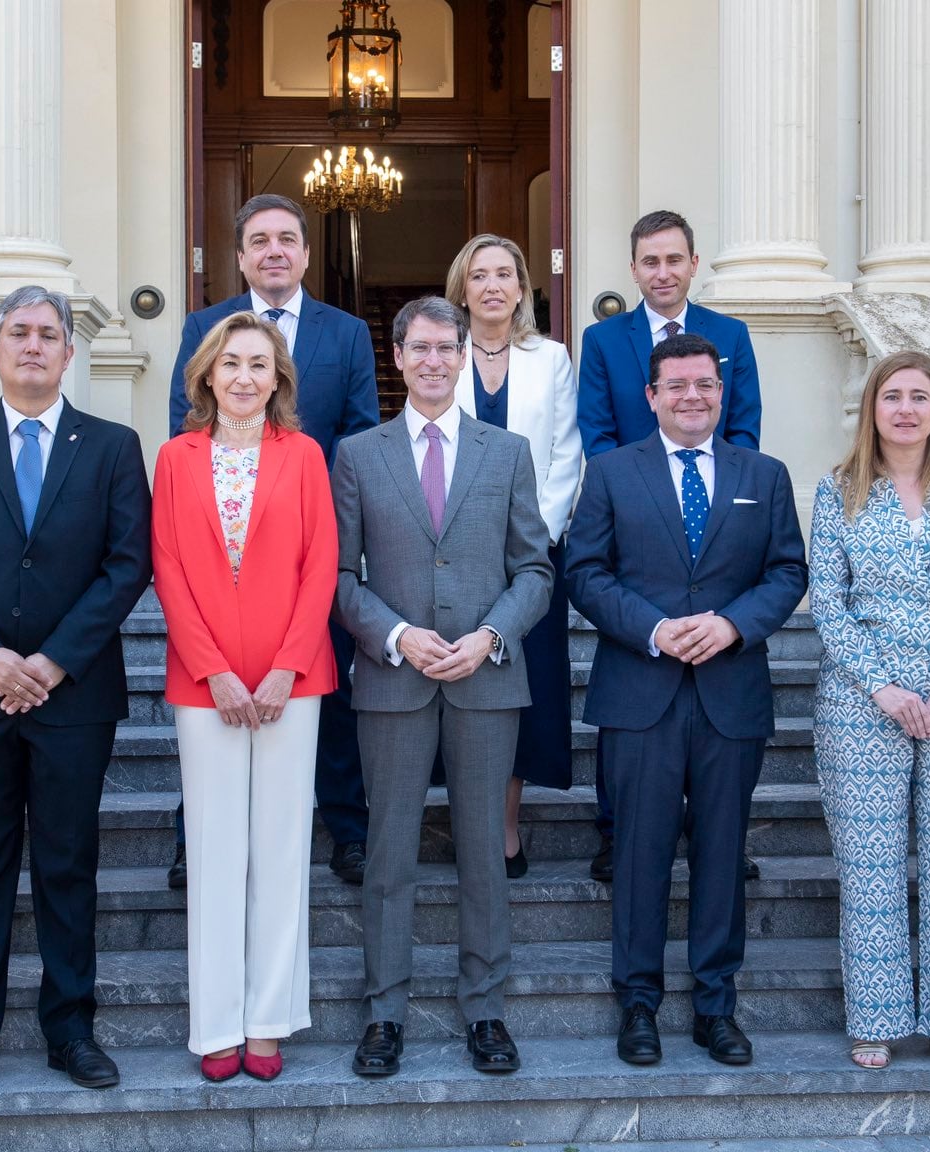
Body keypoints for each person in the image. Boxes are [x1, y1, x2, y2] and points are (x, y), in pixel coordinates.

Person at [0, 286, 153, 1099]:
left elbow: (128, 565)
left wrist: (51, 662)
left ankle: (70, 1030)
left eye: (50, 333)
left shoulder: (113, 447)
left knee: (66, 864)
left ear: (69, 352)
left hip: (73, 698)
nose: (35, 345)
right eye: (20, 333)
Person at [566, 332, 807, 1069]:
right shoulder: (609, 473)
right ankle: (637, 1005)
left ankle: (715, 1008)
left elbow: (788, 570)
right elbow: (584, 569)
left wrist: (732, 623)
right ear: (652, 396)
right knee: (638, 855)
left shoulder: (763, 475)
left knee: (720, 855)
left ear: (720, 391)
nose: (692, 396)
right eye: (676, 385)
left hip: (730, 693)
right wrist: (656, 628)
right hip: (642, 692)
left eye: (704, 384)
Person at [332, 296, 553, 1079]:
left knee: (483, 856)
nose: (432, 361)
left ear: (464, 355)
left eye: (444, 348)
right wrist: (395, 635)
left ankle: (485, 1009)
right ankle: (385, 1011)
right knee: (389, 853)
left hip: (486, 680)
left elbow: (534, 568)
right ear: (397, 357)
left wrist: (492, 635)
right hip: (393, 680)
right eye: (417, 348)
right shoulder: (358, 455)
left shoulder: (508, 452)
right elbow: (338, 577)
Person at [166, 192, 381, 890]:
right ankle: (189, 837)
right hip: (223, 543)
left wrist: (326, 524)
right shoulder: (205, 325)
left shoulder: (345, 331)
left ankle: (346, 828)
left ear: (307, 252)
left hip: (311, 542)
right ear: (240, 256)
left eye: (287, 238)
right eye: (259, 240)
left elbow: (357, 434)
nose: (275, 251)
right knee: (208, 701)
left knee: (333, 687)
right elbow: (183, 423)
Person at [808, 349, 930, 1073]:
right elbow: (828, 603)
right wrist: (884, 687)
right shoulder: (840, 492)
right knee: (871, 866)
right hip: (865, 704)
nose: (904, 409)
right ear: (872, 409)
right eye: (891, 396)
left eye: (918, 396)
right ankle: (877, 1018)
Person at [152, 311, 339, 1083]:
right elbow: (167, 568)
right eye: (230, 363)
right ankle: (218, 1024)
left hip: (292, 683)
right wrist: (214, 670)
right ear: (206, 375)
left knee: (282, 852)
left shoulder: (305, 456)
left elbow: (322, 563)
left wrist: (286, 667)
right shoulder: (175, 457)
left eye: (259, 365)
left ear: (278, 379)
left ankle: (268, 1019)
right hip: (208, 687)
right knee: (218, 852)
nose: (243, 378)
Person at [574, 209, 764, 882]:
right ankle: (617, 831)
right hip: (633, 540)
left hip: (715, 540)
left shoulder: (731, 336)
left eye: (673, 259)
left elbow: (743, 432)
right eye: (649, 261)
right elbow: (595, 435)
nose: (662, 272)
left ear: (693, 263)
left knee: (717, 713)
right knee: (632, 701)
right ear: (633, 269)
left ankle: (720, 837)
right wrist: (635, 500)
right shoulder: (602, 341)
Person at [444, 234, 582, 879]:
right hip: (456, 552)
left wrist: (536, 538)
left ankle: (504, 831)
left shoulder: (550, 358)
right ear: (462, 288)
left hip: (533, 558)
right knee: (463, 687)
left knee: (525, 693)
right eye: (480, 276)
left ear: (523, 288)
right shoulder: (443, 353)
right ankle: (463, 821)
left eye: (505, 274)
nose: (493, 286)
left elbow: (565, 454)